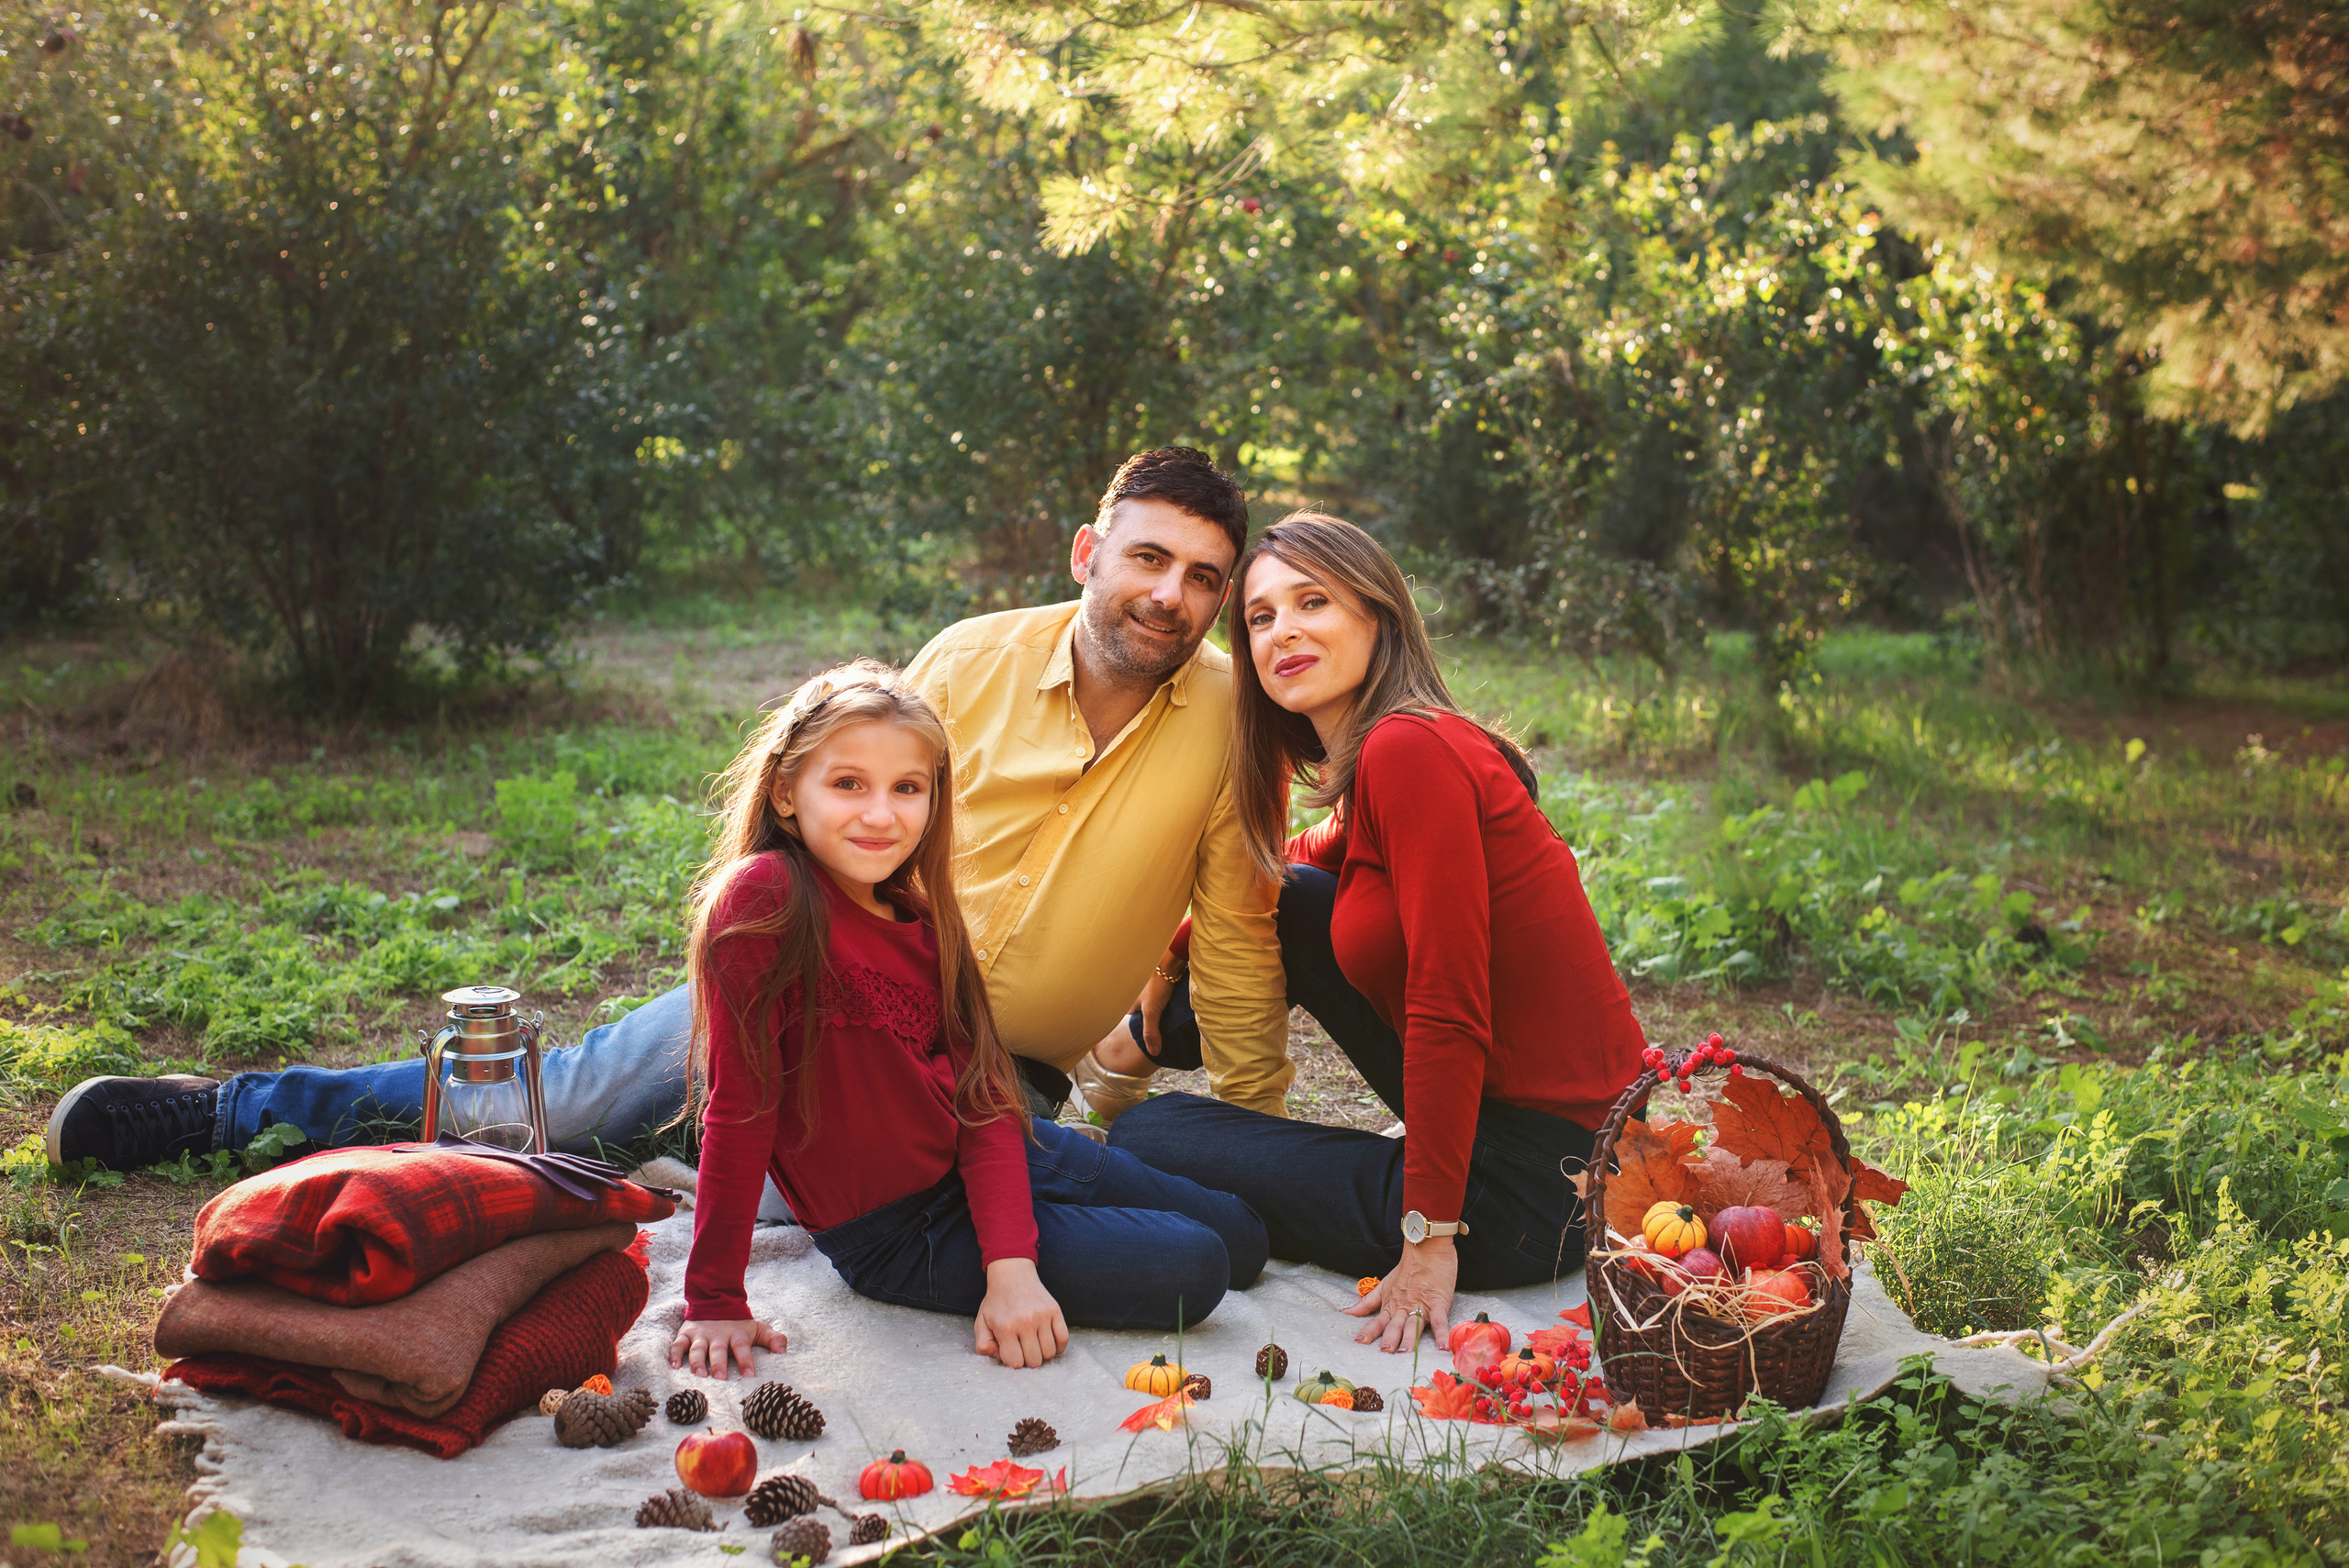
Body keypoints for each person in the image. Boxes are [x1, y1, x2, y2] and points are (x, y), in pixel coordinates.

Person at [46, 447, 1292, 1173]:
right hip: (828, 978)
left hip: (991, 1074)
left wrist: (1258, 1142)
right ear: (1089, 552)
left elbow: (1238, 940)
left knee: (832, 1221)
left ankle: (672, 1174)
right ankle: (233, 1109)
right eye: (1147, 558)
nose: (1169, 596)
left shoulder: (1234, 732)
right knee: (556, 1107)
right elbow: (822, 822)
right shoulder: (968, 659)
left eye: (1201, 578)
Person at [1104, 512, 1649, 1355]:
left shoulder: (1409, 753)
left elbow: (1447, 1002)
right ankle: (1126, 1049)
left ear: (1377, 615)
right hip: (1531, 1136)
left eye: (1311, 601)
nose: (1283, 630)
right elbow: (1268, 875)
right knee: (1290, 897)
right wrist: (1165, 972)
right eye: (1259, 617)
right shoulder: (1396, 755)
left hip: (1539, 1193)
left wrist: (1431, 1238)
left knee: (1149, 1135)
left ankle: (1141, 1093)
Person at [670, 661, 1264, 1379]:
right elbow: (740, 1108)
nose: (881, 813)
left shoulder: (923, 920)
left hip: (1004, 1148)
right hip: (900, 1230)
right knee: (1198, 1263)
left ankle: (1148, 1156)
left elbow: (984, 1097)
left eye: (907, 788)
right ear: (786, 792)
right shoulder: (766, 901)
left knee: (1244, 1237)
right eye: (848, 783)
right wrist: (713, 1297)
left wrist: (1011, 1257)